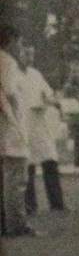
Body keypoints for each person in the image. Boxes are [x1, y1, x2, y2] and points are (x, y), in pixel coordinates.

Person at [17, 43, 66, 214]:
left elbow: (48, 94)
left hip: (39, 123)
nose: (29, 58)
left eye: (31, 54)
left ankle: (57, 204)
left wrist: (54, 101)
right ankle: (30, 207)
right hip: (22, 125)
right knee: (27, 166)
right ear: (19, 54)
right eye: (26, 54)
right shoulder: (12, 75)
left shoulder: (36, 74)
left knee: (50, 160)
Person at [1, 24, 38, 237]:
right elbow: (10, 92)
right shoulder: (8, 62)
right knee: (15, 178)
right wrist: (16, 121)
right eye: (19, 42)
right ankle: (16, 224)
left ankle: (5, 223)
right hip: (10, 124)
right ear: (11, 41)